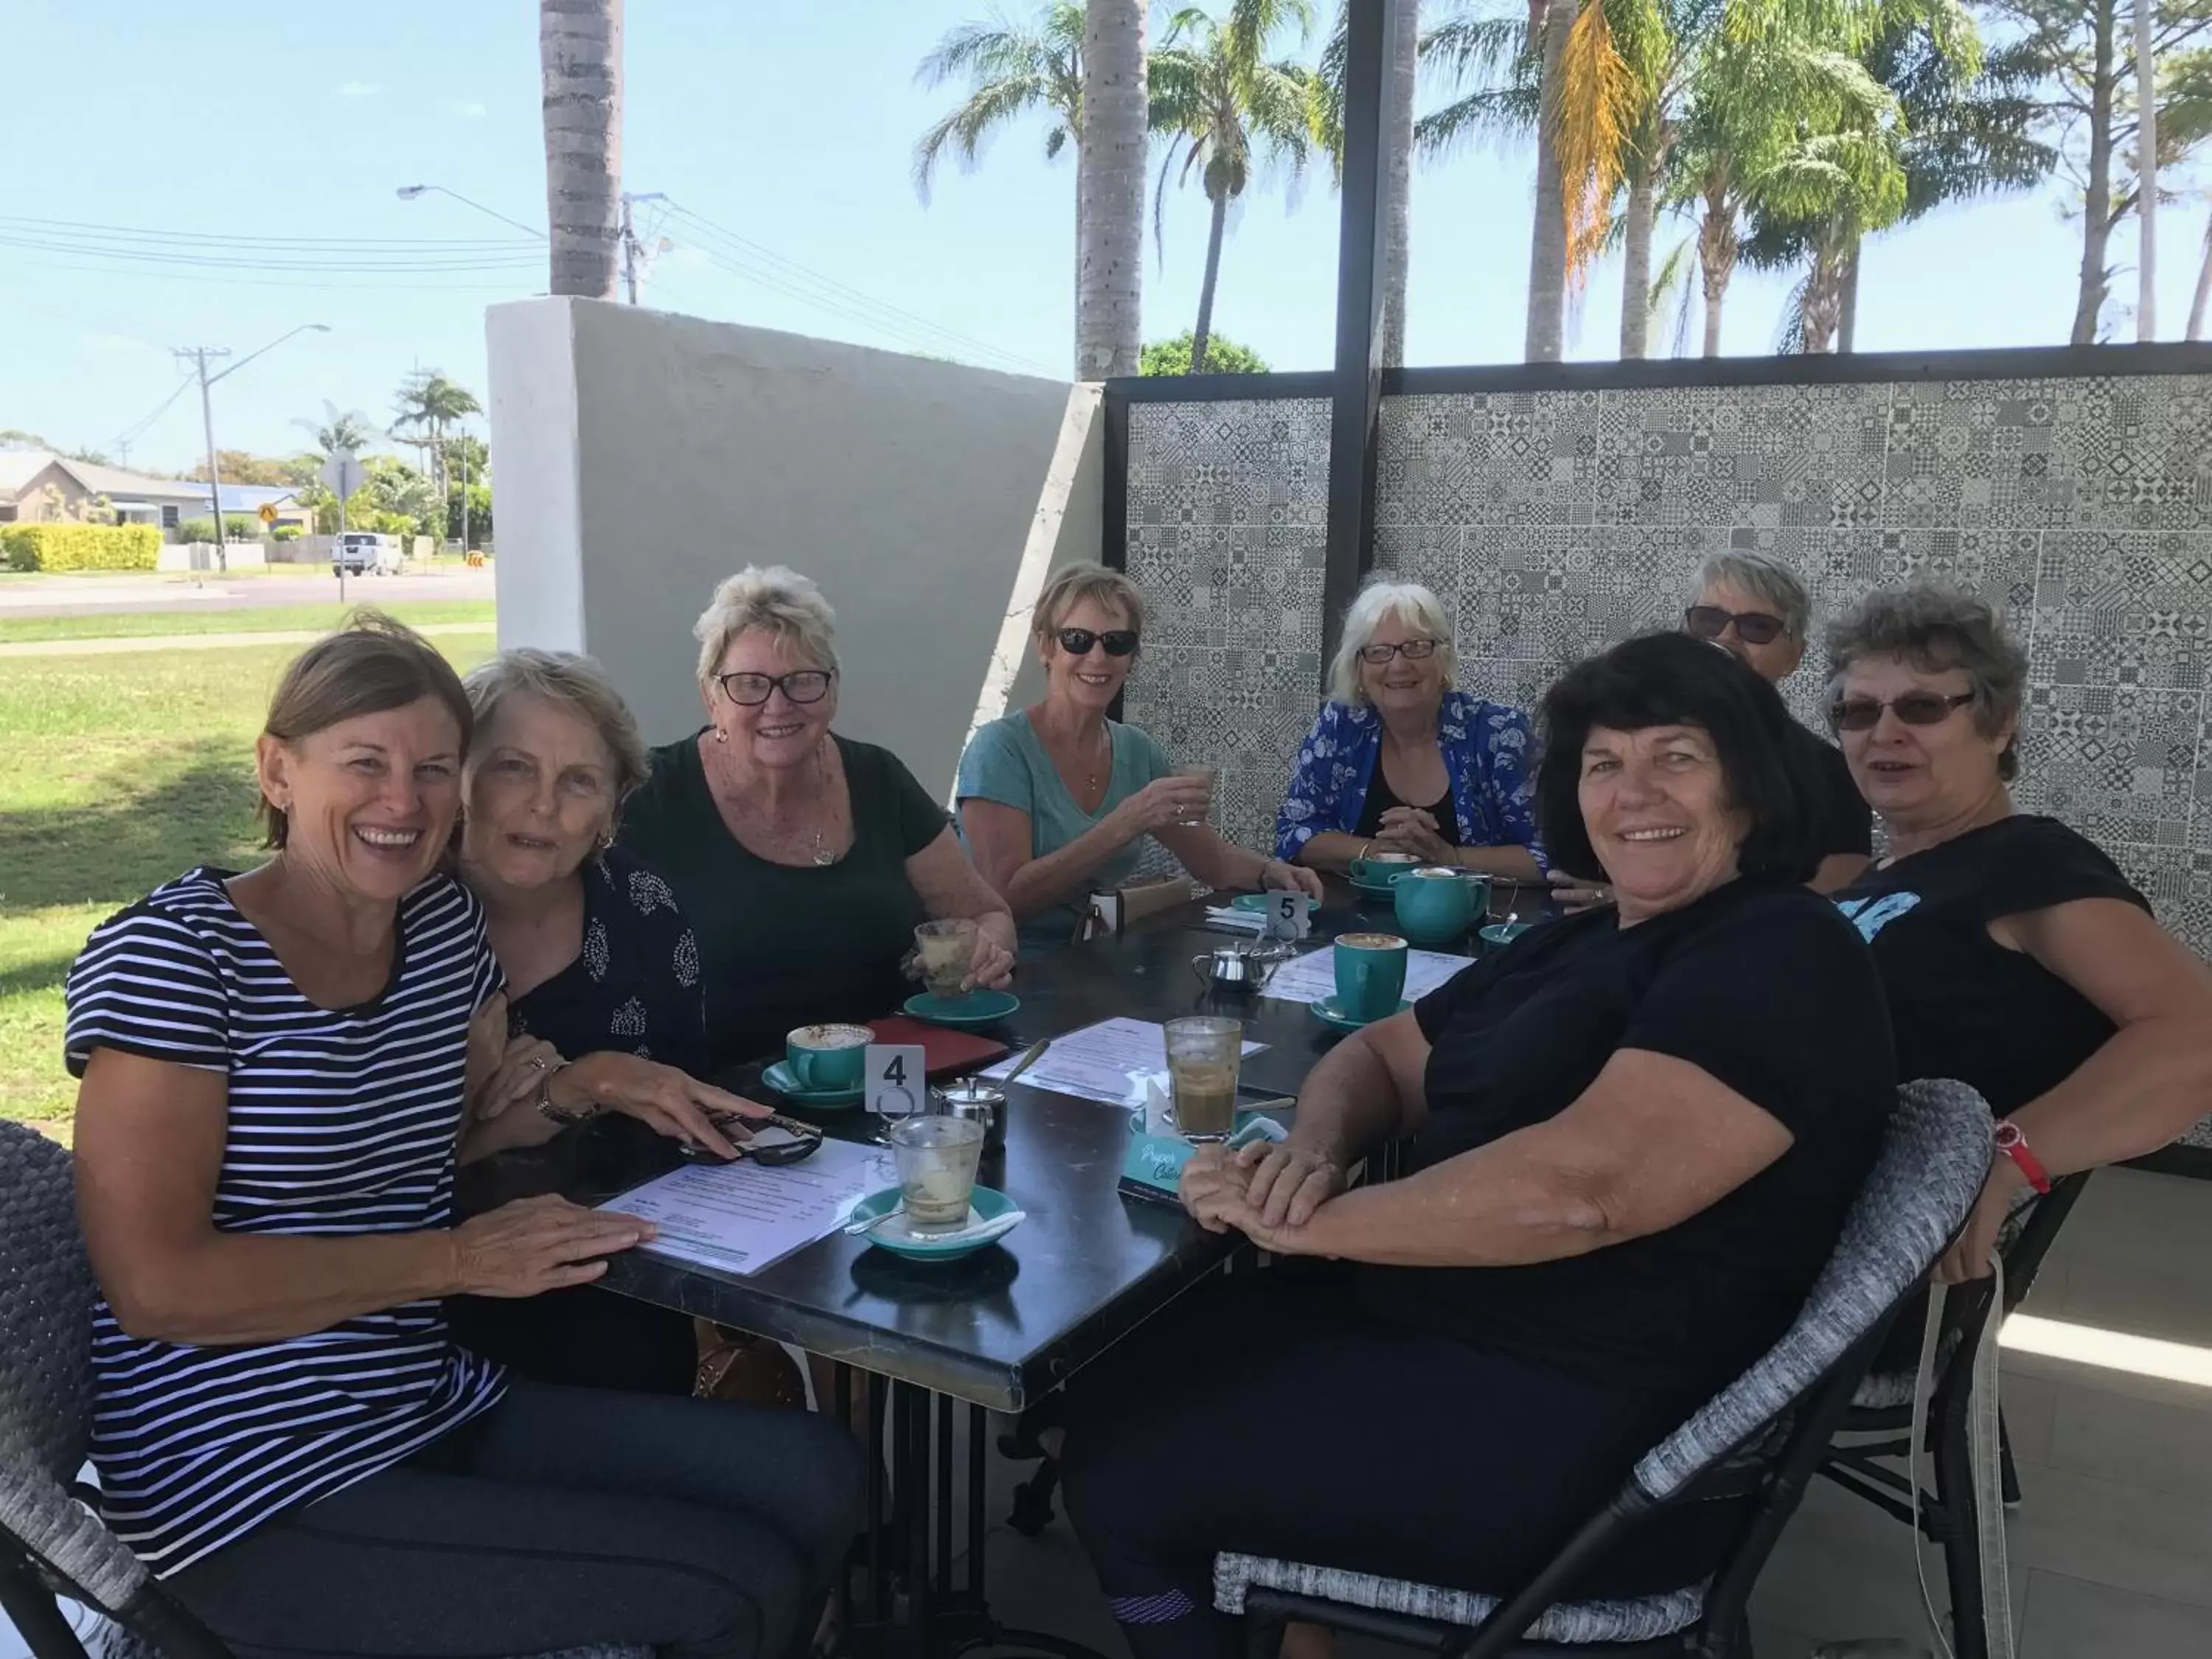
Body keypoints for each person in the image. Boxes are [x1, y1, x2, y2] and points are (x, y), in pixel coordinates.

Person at [1059, 632, 1896, 1659]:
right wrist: (1313, 1151)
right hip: (1456, 1329)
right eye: (1603, 763)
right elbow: (1380, 1054)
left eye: (1677, 756)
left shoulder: (1778, 948)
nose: (1635, 792)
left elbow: (1582, 1192)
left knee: (1127, 1473)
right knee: (1106, 1368)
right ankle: (1281, 1620)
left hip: (1599, 1434)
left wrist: (1312, 1221)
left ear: (1752, 785)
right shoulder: (1585, 936)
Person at [65, 614, 861, 1658]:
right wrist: (455, 1259)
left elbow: (425, 1145)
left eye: (433, 767)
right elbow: (156, 1286)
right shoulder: (178, 956)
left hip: (418, 1397)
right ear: (275, 770)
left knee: (822, 1474)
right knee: (729, 1587)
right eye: (365, 762)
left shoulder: (439, 934)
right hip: (243, 1473)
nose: (404, 800)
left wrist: (588, 1080)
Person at [1824, 585, 2212, 1284]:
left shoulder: (2026, 861)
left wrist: (2012, 1159)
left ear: (1999, 725)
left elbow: (2197, 1032)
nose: (1884, 732)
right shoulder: (1872, 875)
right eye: (1857, 711)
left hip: (1844, 1263)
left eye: (1922, 706)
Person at [448, 647, 764, 1397]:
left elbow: (673, 1103)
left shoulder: (641, 909)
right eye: (513, 767)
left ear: (613, 810)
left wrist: (552, 1094)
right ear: (457, 773)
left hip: (610, 1259)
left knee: (633, 1351)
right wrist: (567, 1091)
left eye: (579, 781)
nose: (543, 805)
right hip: (422, 1285)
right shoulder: (397, 918)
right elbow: (382, 1178)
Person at [621, 566, 1019, 1073]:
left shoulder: (878, 778)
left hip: (886, 1085)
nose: (778, 705)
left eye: (802, 681)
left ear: (832, 690)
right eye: (749, 684)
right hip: (720, 1100)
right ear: (710, 696)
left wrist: (985, 952)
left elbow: (990, 916)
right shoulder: (651, 797)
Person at [958, 563, 1324, 944]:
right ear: (1046, 647)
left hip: (1098, 961)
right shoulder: (1000, 750)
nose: (1098, 658)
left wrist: (1273, 872)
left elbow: (1210, 860)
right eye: (1078, 639)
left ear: (1133, 656)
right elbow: (1003, 903)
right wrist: (1125, 822)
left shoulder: (1136, 750)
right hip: (1011, 974)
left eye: (1117, 642)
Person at [1554, 553, 1872, 911]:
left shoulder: (1827, 771)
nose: (1727, 639)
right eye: (1709, 620)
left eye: (1756, 627)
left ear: (1794, 655)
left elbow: (1844, 879)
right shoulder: (1613, 746)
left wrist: (1643, 900)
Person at [1275, 577, 1544, 883]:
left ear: (1443, 660)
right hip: (1354, 926)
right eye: (1378, 651)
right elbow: (1292, 834)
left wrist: (1449, 858)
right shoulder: (1341, 726)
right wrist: (1374, 851)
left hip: (1477, 923)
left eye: (1416, 647)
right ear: (1359, 668)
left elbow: (1552, 855)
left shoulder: (1500, 733)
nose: (1399, 665)